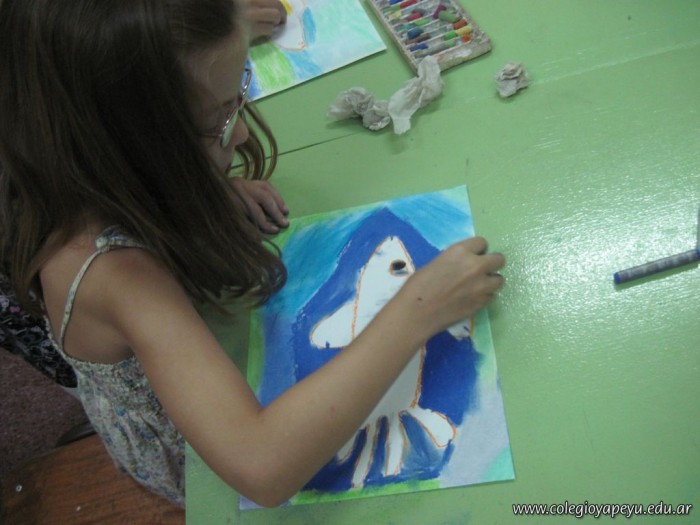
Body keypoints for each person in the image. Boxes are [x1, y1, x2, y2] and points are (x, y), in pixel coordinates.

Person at [0, 0, 505, 509]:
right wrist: (415, 311)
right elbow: (261, 468)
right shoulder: (115, 276)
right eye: (215, 122)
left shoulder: (82, 159)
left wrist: (205, 186)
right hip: (197, 447)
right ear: (127, 145)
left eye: (239, 93)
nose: (241, 133)